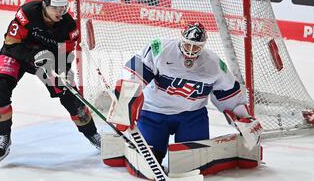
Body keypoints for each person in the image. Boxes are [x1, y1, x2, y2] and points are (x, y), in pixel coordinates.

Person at [111, 22, 262, 163]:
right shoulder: (160, 49)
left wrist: (244, 119)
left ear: (203, 45)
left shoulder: (213, 63)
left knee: (193, 161)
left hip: (191, 116)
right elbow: (134, 74)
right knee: (149, 157)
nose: (190, 50)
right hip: (154, 113)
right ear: (181, 37)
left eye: (195, 47)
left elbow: (229, 94)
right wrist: (125, 101)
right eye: (188, 44)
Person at [0, 0, 101, 163]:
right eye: (56, 7)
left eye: (64, 6)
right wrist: (33, 56)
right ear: (45, 3)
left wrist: (62, 71)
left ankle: (93, 135)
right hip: (17, 54)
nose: (60, 11)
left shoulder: (68, 26)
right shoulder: (27, 13)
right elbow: (11, 42)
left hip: (48, 62)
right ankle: (4, 137)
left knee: (71, 97)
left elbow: (66, 55)